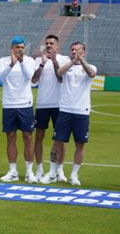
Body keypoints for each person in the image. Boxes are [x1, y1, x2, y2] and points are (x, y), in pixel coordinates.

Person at [40, 42, 96, 186]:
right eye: (72, 49)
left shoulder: (90, 66)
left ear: (83, 52)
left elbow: (91, 73)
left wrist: (81, 60)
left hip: (81, 111)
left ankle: (74, 175)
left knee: (80, 144)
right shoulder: (67, 65)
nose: (73, 52)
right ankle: (52, 173)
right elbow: (59, 73)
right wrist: (73, 60)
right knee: (57, 142)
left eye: (77, 50)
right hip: (65, 110)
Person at [0, 36, 37, 183]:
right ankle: (13, 171)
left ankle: (29, 172)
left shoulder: (30, 61)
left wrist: (20, 62)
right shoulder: (3, 60)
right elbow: (0, 78)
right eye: (17, 47)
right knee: (10, 137)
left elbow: (30, 77)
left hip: (25, 104)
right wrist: (11, 64)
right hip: (9, 104)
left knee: (27, 136)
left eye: (22, 47)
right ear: (12, 48)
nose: (20, 50)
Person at [31, 35, 70, 181]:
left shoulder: (64, 59)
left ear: (57, 46)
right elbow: (34, 80)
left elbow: (61, 78)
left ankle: (59, 169)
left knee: (60, 138)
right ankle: (39, 168)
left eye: (51, 43)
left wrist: (54, 61)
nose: (48, 45)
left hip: (59, 104)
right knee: (39, 136)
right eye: (46, 43)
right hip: (42, 103)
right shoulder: (38, 60)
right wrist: (42, 64)